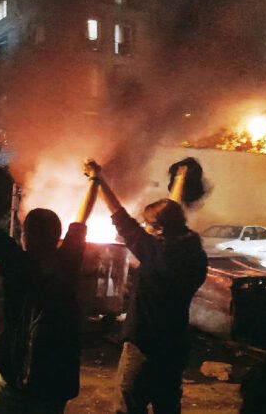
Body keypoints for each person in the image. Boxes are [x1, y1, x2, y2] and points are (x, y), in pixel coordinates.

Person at [85, 159, 207, 414]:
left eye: (148, 225)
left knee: (128, 404)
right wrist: (182, 178)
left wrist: (99, 179)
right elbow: (172, 214)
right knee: (167, 405)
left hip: (144, 345)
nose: (144, 228)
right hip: (175, 344)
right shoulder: (193, 249)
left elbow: (120, 216)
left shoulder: (154, 253)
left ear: (160, 230)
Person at [0, 169, 100, 414]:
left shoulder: (15, 261)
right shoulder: (69, 261)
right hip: (54, 380)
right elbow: (82, 218)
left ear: (25, 235)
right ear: (57, 237)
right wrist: (95, 179)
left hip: (9, 369)